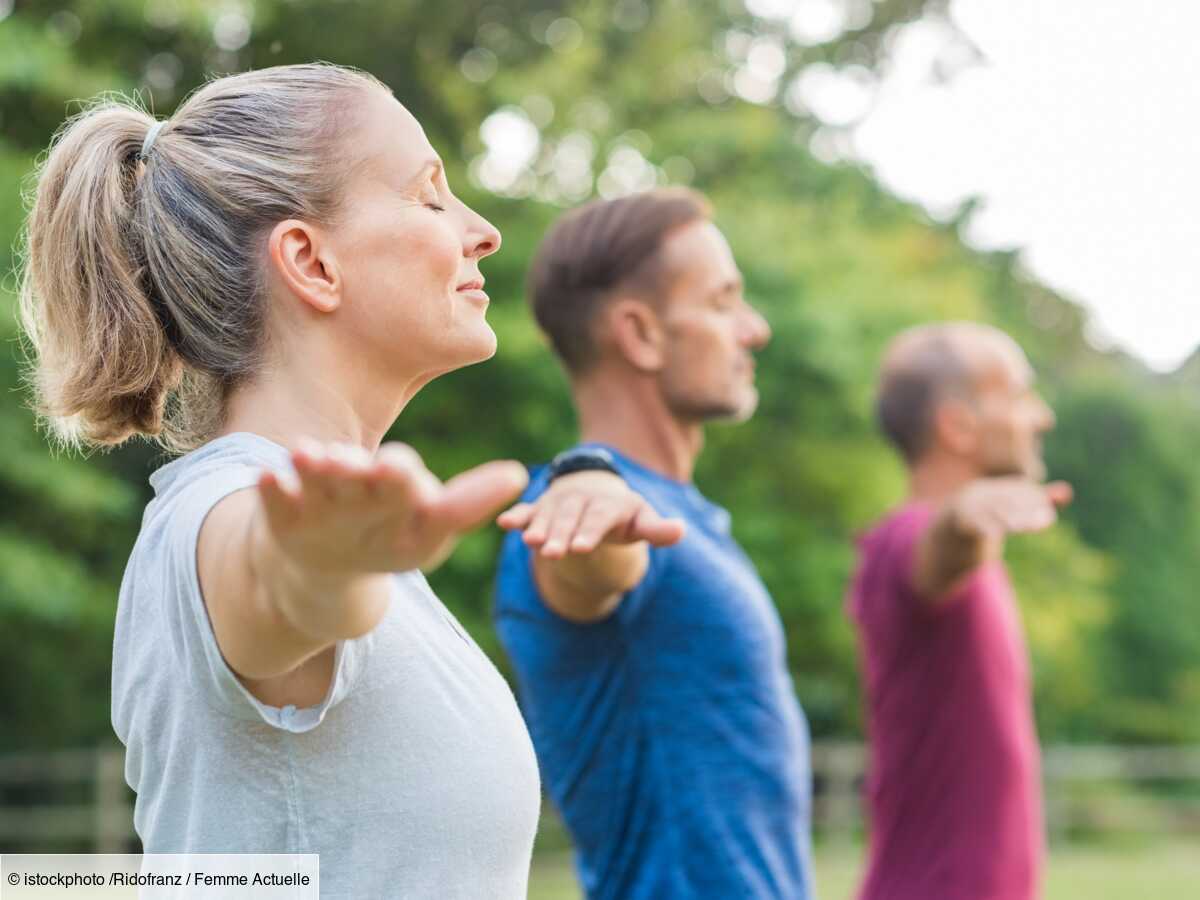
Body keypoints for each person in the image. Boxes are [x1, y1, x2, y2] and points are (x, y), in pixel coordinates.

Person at [18, 63, 541, 898]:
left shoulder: (344, 537)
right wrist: (319, 568)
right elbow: (271, 583)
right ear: (311, 261)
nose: (482, 232)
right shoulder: (224, 513)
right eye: (429, 194)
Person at [493, 188, 814, 899]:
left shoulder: (684, 517)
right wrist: (587, 497)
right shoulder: (575, 512)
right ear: (640, 333)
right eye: (723, 301)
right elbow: (589, 563)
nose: (753, 328)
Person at [847, 322, 1071, 900]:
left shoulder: (976, 560)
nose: (1040, 416)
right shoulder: (906, 538)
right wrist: (961, 515)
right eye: (1020, 394)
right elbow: (938, 550)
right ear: (957, 424)